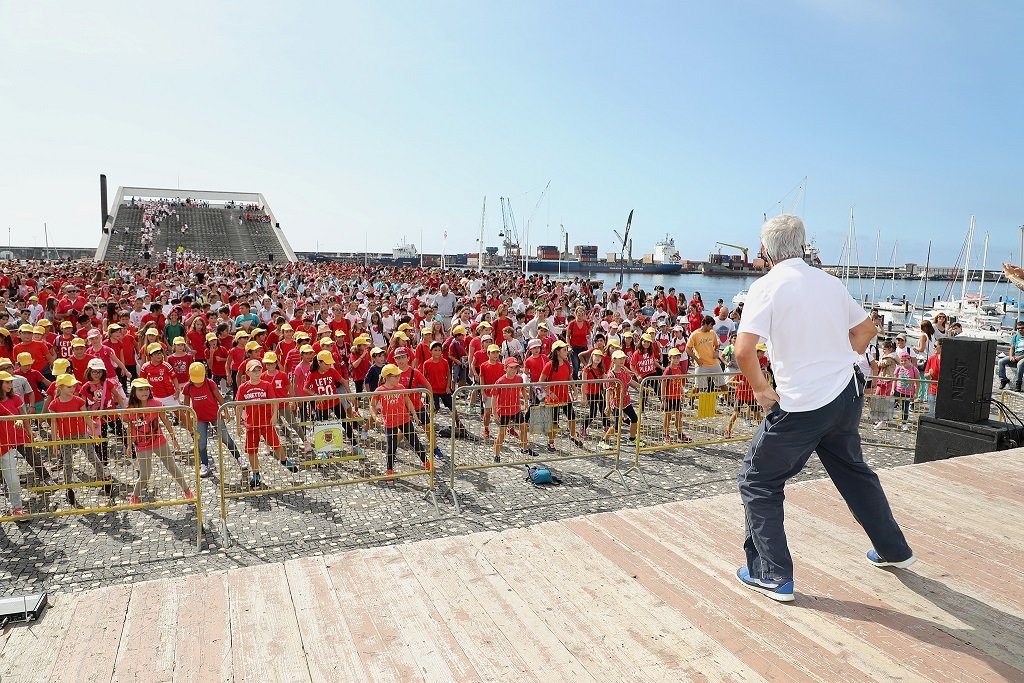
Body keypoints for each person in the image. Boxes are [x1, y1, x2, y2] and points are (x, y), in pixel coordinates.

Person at [734, 214, 913, 603]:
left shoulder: (766, 287)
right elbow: (866, 330)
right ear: (802, 245)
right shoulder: (830, 282)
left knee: (758, 481)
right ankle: (893, 549)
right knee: (853, 472)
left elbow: (743, 350)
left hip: (801, 403)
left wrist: (762, 389)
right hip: (846, 393)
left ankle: (772, 574)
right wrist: (836, 358)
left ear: (764, 250)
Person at [122, 378, 194, 505]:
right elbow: (130, 429)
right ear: (134, 392)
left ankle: (187, 491)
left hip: (159, 442)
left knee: (172, 467)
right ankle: (134, 497)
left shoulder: (156, 403)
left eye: (146, 389)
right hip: (141, 445)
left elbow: (166, 421)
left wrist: (173, 438)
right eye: (140, 389)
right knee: (145, 475)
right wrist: (129, 445)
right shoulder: (130, 409)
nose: (144, 392)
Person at [492, 357, 531, 462]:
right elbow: (494, 396)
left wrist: (526, 401)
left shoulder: (519, 379)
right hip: (504, 411)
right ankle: (496, 454)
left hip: (516, 409)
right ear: (505, 368)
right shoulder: (500, 381)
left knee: (523, 427)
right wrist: (494, 413)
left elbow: (523, 389)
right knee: (502, 433)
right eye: (511, 367)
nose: (514, 370)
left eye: (515, 367)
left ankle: (524, 448)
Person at [998, 321, 1024, 391]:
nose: (1020, 329)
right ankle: (1003, 380)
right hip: (1015, 355)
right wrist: (1011, 356)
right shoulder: (1016, 336)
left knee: (1020, 364)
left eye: (1022, 328)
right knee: (1001, 361)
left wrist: (1019, 358)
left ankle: (1018, 383)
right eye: (1018, 328)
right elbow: (1012, 348)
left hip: (1022, 357)